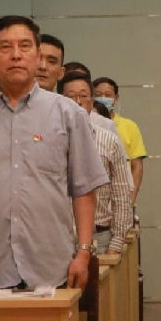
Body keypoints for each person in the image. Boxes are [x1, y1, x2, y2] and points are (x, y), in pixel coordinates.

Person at [0, 16, 106, 290]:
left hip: (52, 267)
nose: (16, 55)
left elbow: (84, 190)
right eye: (5, 47)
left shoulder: (68, 113)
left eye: (25, 46)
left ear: (38, 56)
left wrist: (84, 252)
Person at [62, 74, 134, 255]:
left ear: (92, 101)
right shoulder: (49, 140)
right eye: (71, 97)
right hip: (58, 238)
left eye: (83, 96)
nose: (78, 102)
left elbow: (121, 193)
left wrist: (116, 243)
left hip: (100, 238)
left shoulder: (109, 139)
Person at [92, 76, 148, 199]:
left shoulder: (130, 126)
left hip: (123, 195)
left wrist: (131, 197)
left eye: (108, 95)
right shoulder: (86, 122)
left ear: (116, 98)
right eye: (98, 94)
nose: (103, 98)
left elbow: (137, 166)